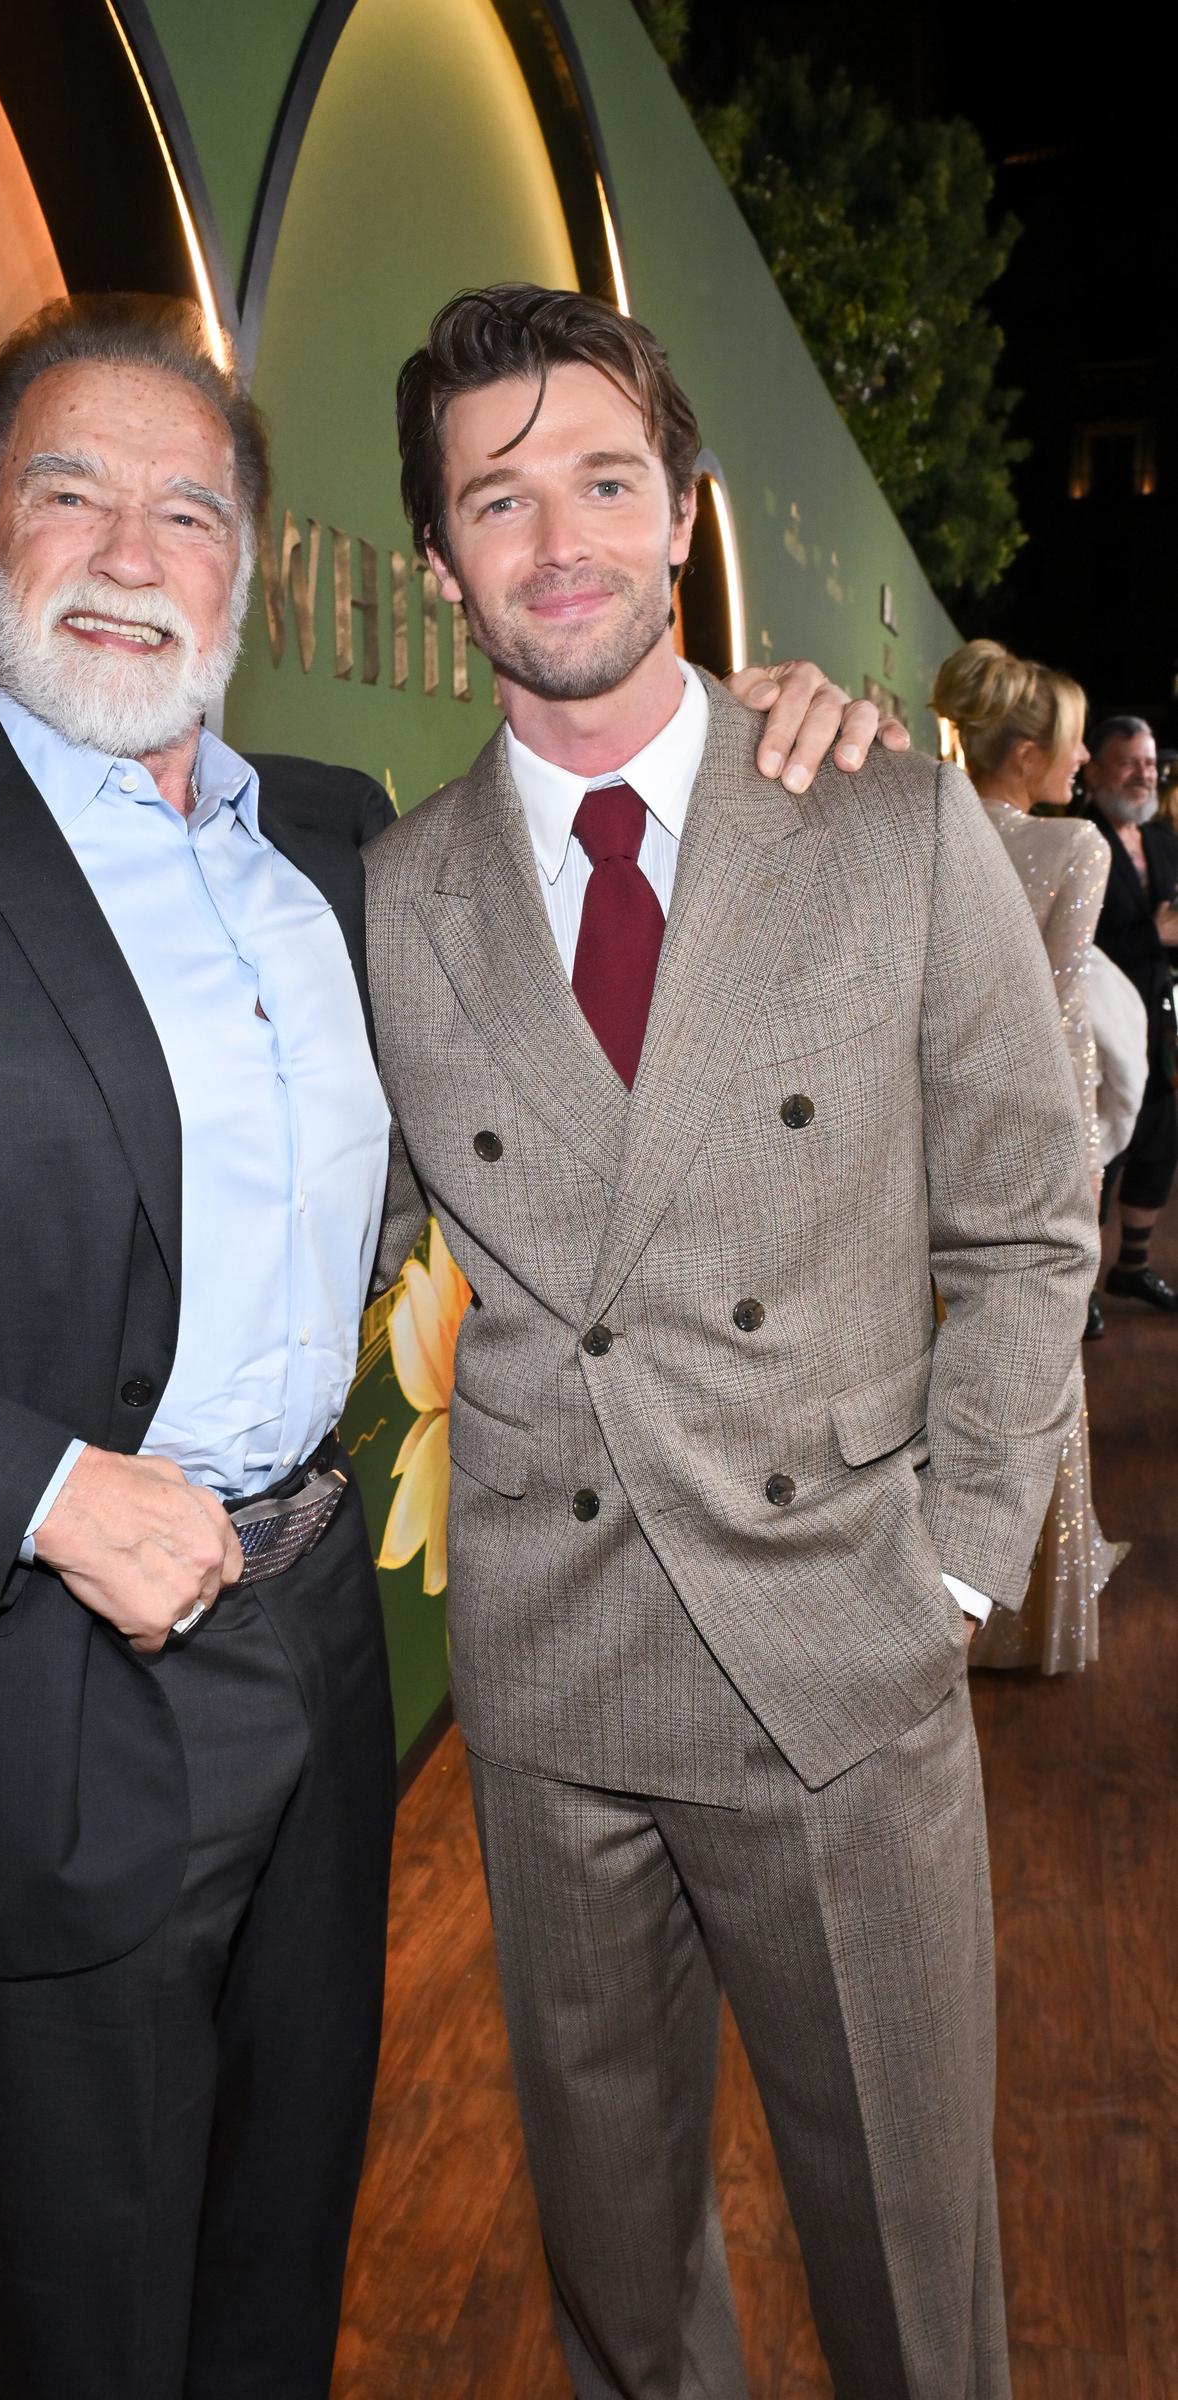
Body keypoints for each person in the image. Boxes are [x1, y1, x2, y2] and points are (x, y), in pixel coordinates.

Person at [0, 290, 888, 2400]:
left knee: (282, 2256)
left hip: (316, 1657)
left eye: (186, 511)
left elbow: (605, 885)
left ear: (249, 575)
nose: (126, 550)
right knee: (87, 2321)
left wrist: (781, 735)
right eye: (70, 494)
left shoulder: (343, 835)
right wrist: (51, 1497)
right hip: (51, 1684)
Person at [366, 285, 1097, 2399]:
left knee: (912, 2278)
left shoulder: (877, 808)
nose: (560, 537)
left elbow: (1030, 1208)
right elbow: (387, 1238)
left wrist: (957, 1557)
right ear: (439, 563)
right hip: (554, 1676)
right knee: (618, 2283)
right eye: (499, 501)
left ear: (680, 511)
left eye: (605, 479)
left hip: (836, 1660)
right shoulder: (396, 894)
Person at [930, 639, 1124, 1671]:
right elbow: (1062, 1011)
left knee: (936, 1344)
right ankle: (1024, 1594)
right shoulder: (1075, 849)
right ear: (1026, 752)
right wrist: (1079, 1152)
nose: (1085, 755)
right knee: (1030, 1347)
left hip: (921, 1127)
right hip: (1028, 1127)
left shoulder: (923, 823)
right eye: (1074, 737)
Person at [1080, 713, 1178, 1309]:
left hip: (1161, 1016)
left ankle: (1132, 1267)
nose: (1144, 774)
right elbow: (1068, 944)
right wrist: (1155, 931)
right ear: (1093, 768)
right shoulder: (1075, 834)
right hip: (1099, 1020)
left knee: (1159, 1139)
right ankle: (1082, 1289)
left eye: (1150, 764)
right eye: (1129, 762)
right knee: (1100, 1152)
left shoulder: (1165, 840)